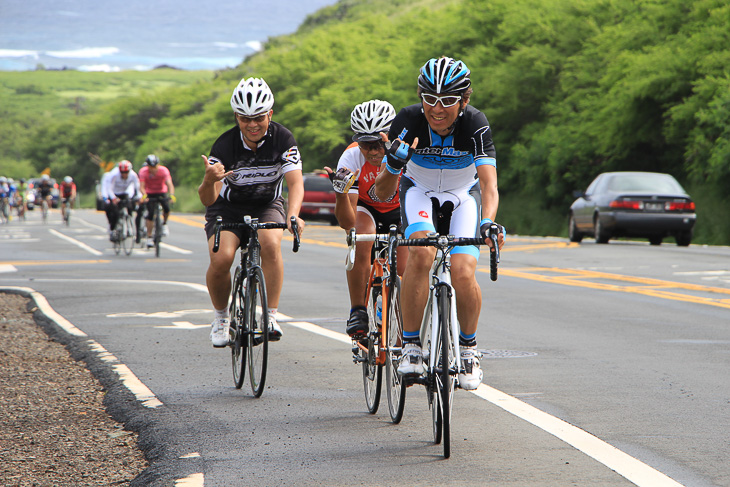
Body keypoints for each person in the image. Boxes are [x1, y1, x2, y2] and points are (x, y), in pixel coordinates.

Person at [374, 56, 505, 390]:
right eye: (429, 99)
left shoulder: (475, 123)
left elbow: (489, 185)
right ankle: (412, 346)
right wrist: (392, 165)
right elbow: (382, 191)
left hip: (463, 195)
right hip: (418, 191)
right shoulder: (406, 120)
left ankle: (469, 349)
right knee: (421, 254)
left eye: (448, 100)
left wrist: (488, 222)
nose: (437, 108)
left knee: (463, 272)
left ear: (464, 100)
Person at [198, 77, 305, 348]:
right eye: (245, 119)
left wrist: (293, 215)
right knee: (221, 259)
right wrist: (209, 180)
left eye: (258, 117)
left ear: (270, 113)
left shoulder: (284, 138)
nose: (252, 124)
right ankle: (221, 317)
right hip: (228, 207)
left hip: (267, 203)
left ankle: (270, 316)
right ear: (236, 117)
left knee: (270, 245)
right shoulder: (224, 146)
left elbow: (295, 182)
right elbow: (208, 199)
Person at [324, 99, 408, 336]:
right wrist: (340, 194)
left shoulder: (404, 153)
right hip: (367, 209)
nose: (372, 152)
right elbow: (346, 223)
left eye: (379, 144)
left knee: (405, 270)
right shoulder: (351, 158)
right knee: (361, 238)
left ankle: (407, 331)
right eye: (365, 144)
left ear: (390, 138)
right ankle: (358, 311)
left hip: (400, 209)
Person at [138, 154, 176, 248]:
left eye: (155, 166)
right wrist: (144, 196)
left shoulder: (163, 170)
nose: (153, 169)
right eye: (151, 167)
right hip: (149, 193)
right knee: (150, 215)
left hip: (161, 192)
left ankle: (164, 224)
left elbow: (169, 184)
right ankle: (150, 237)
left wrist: (171, 195)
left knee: (166, 208)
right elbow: (141, 186)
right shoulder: (143, 172)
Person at [103, 160, 141, 241]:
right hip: (115, 193)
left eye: (126, 172)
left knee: (130, 205)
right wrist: (113, 198)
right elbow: (109, 188)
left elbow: (137, 187)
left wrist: (138, 197)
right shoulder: (114, 174)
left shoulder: (133, 175)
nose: (124, 174)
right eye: (122, 172)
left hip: (125, 192)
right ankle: (112, 229)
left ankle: (129, 225)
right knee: (114, 211)